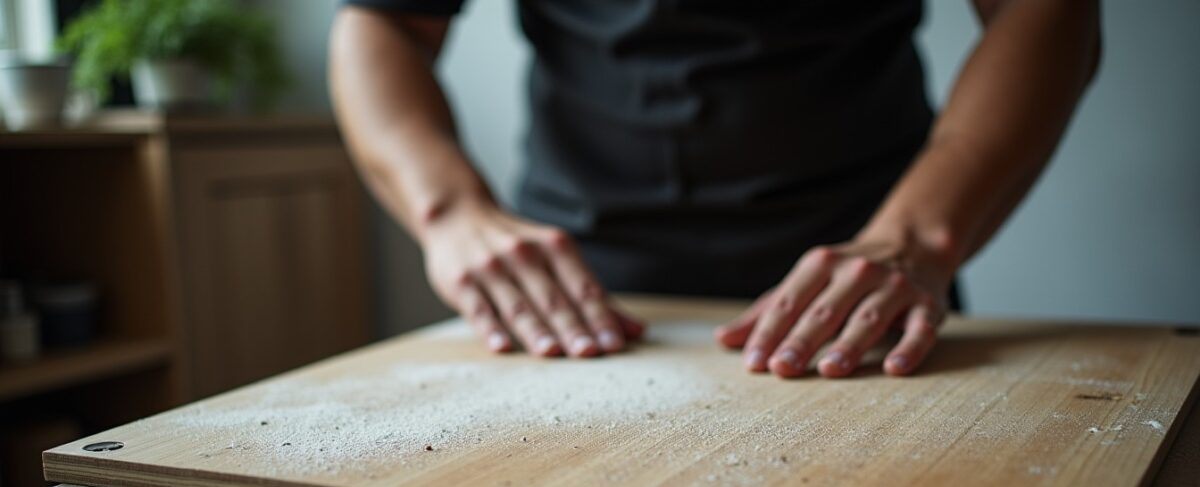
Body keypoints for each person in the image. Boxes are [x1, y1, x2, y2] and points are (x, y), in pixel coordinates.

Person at [329, 0, 1100, 378]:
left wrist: (920, 236)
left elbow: (1047, 11)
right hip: (573, 294)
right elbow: (384, 21)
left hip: (871, 278)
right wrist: (449, 210)